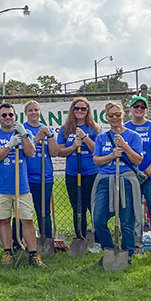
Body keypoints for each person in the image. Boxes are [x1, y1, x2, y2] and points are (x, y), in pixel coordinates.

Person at [0, 103, 45, 268]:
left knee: (27, 220)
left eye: (10, 115)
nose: (7, 118)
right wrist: (9, 145)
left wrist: (24, 135)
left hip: (22, 187)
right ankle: (7, 252)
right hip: (0, 186)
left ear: (15, 117)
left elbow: (31, 153)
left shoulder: (24, 133)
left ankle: (33, 254)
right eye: (4, 115)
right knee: (4, 220)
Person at [91, 101, 144, 264]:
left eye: (118, 114)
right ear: (106, 117)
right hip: (105, 180)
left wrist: (125, 146)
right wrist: (111, 156)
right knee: (98, 219)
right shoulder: (101, 137)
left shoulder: (133, 136)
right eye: (111, 115)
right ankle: (108, 249)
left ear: (123, 115)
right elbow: (97, 161)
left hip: (126, 179)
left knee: (127, 219)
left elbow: (138, 160)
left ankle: (127, 252)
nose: (115, 118)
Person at [124, 95, 151, 259]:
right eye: (136, 107)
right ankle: (137, 244)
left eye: (142, 107)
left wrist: (148, 171)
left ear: (146, 110)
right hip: (131, 175)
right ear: (130, 109)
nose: (139, 110)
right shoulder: (125, 128)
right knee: (134, 210)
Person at [56, 96, 100, 250]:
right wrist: (74, 146)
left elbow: (97, 150)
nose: (80, 111)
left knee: (93, 207)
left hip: (91, 173)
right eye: (77, 108)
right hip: (73, 173)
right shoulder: (65, 129)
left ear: (88, 111)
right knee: (77, 207)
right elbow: (60, 152)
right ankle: (79, 237)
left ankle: (97, 240)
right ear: (72, 110)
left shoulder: (93, 128)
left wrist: (85, 138)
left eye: (83, 108)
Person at [23, 101, 60, 244]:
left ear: (40, 112)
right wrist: (37, 137)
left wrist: (50, 136)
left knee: (44, 211)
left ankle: (47, 240)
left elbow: (55, 152)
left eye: (36, 110)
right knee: (24, 212)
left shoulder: (47, 129)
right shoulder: (23, 129)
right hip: (26, 178)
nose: (33, 113)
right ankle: (20, 240)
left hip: (45, 177)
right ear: (26, 113)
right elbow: (25, 151)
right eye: (30, 110)